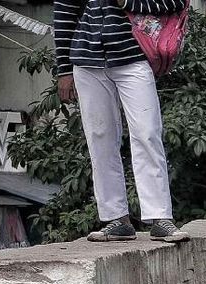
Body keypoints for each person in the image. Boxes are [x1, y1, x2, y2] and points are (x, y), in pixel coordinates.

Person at [53, 0, 189, 243]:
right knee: (100, 139)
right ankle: (116, 219)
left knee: (147, 133)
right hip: (87, 59)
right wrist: (64, 69)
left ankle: (160, 218)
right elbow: (64, 13)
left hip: (134, 55)